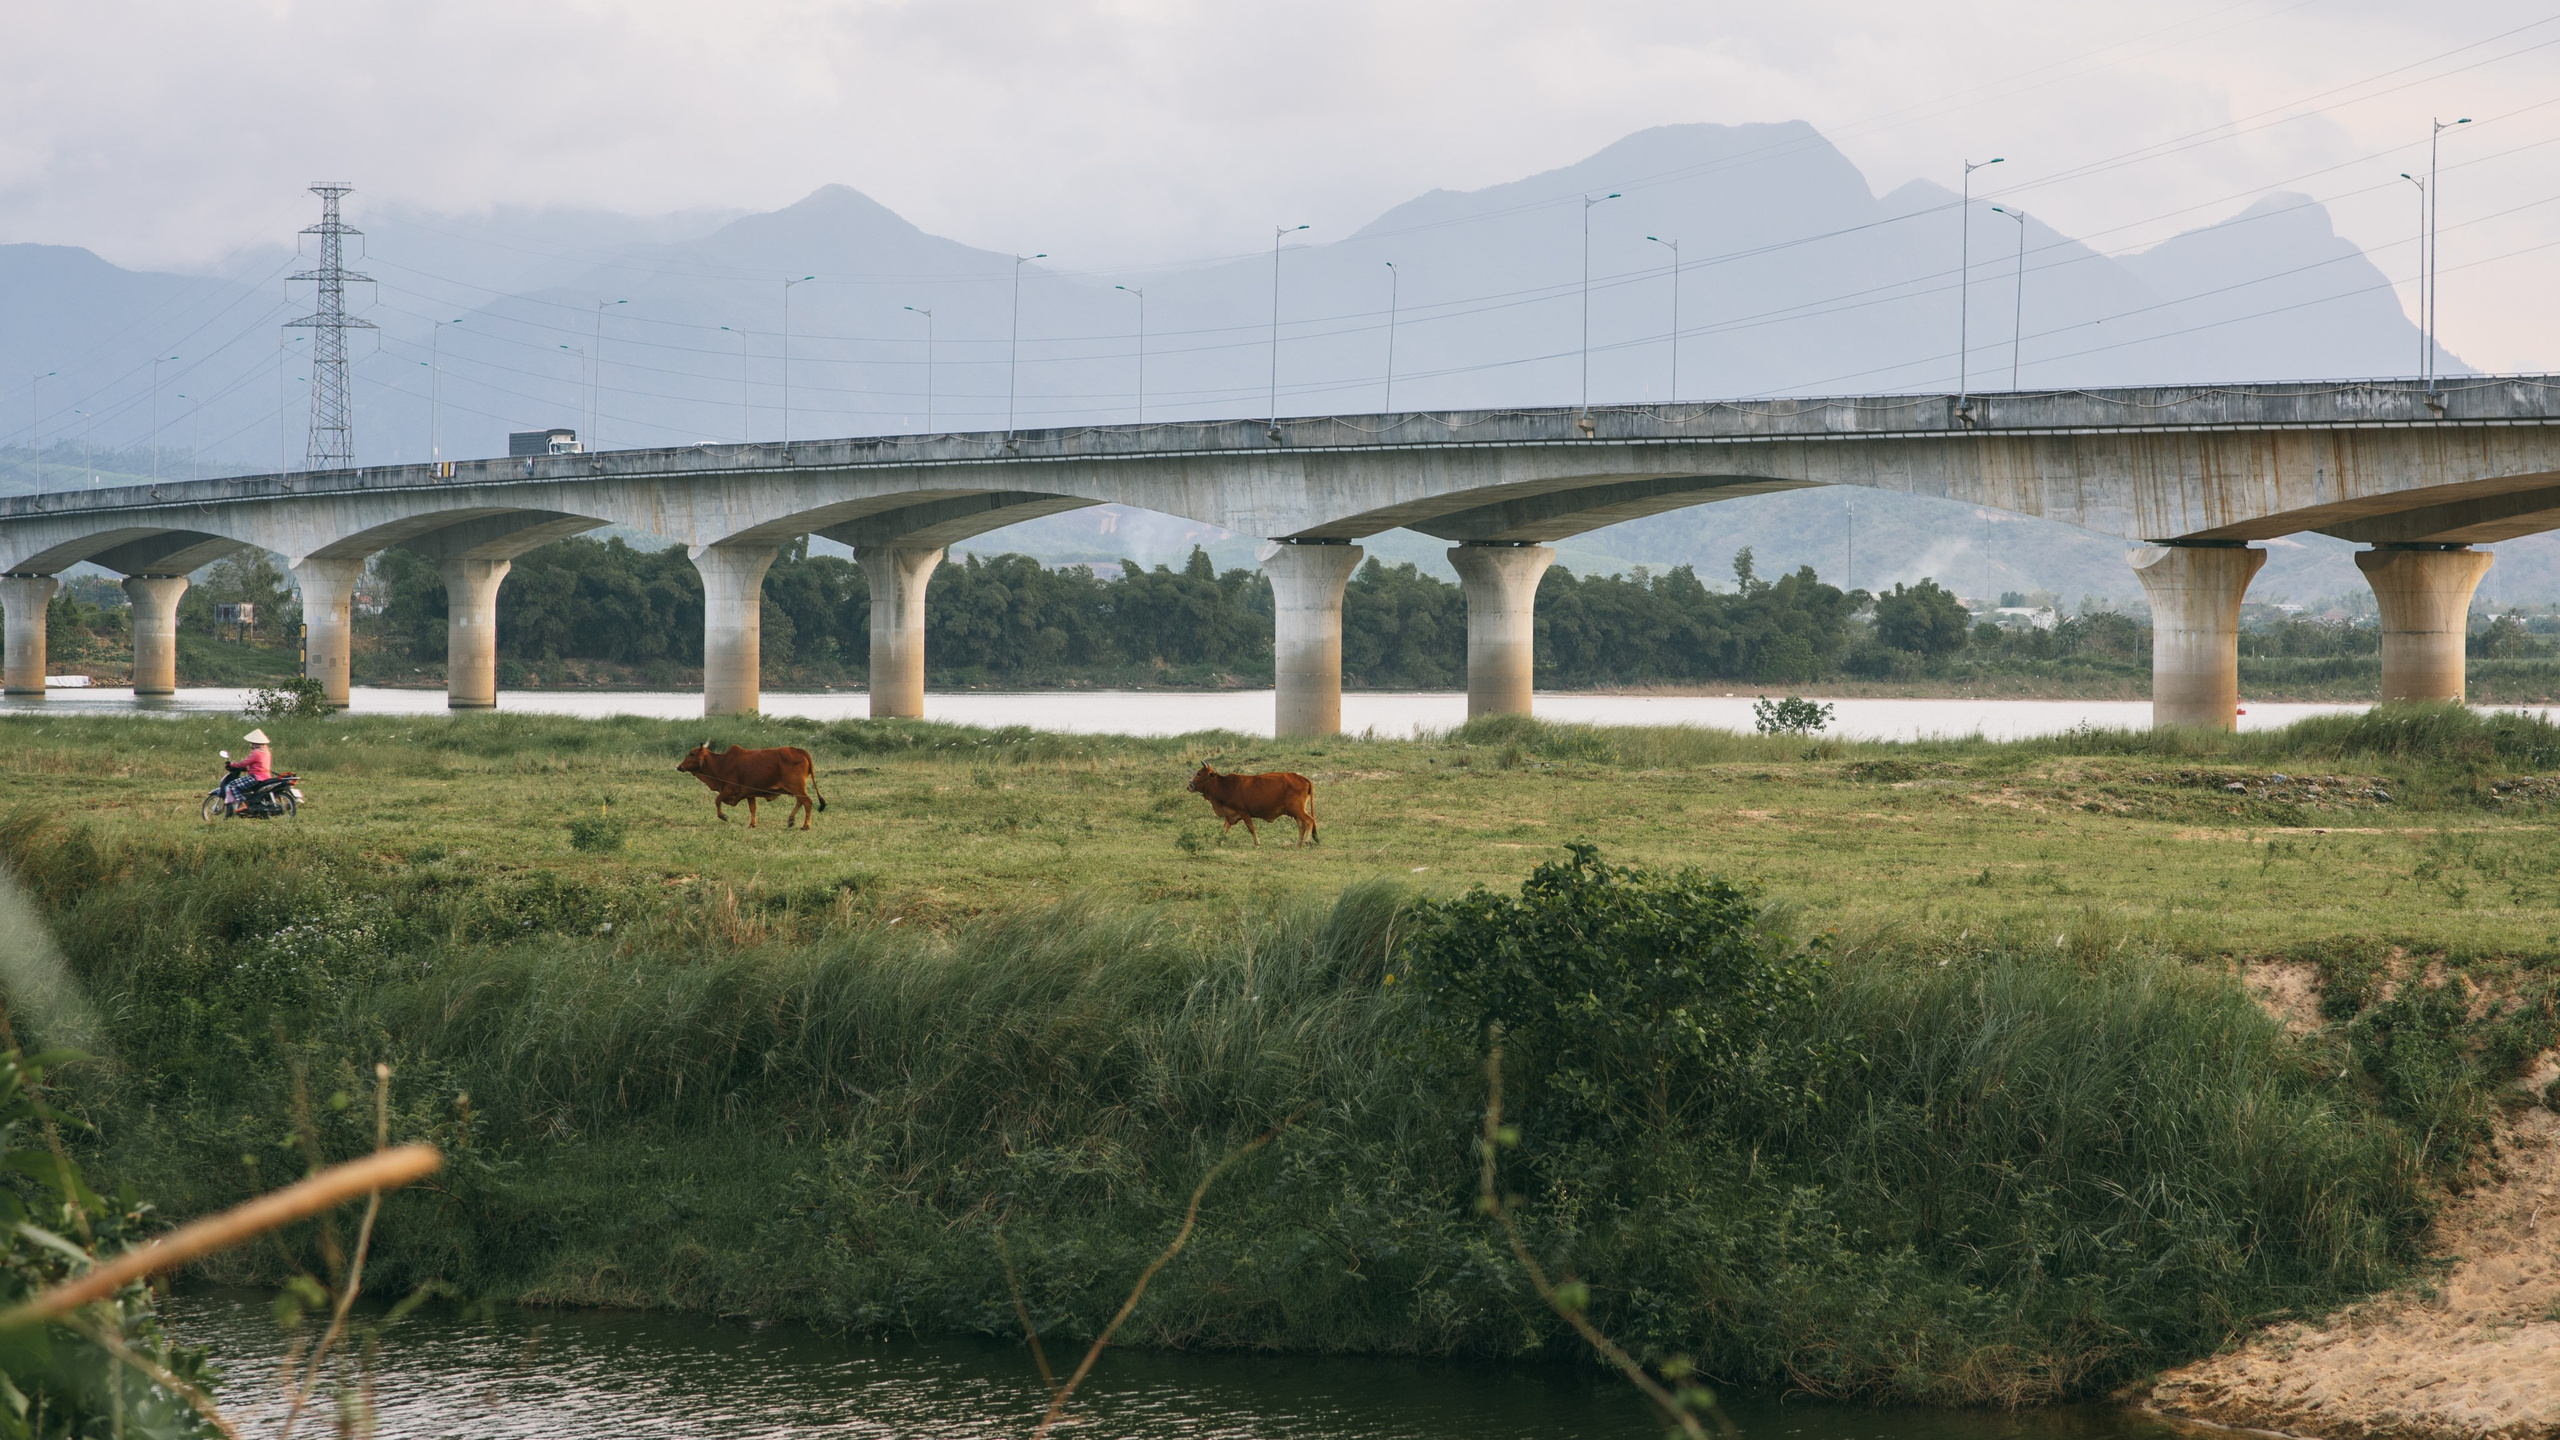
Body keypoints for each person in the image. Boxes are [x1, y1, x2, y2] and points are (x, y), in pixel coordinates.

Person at [224, 728, 275, 814]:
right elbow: (258, 764)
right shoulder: (266, 751)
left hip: (256, 777)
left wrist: (232, 764)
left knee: (232, 785)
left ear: (255, 743)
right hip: (266, 776)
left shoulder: (256, 753)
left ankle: (243, 804)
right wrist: (247, 768)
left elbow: (244, 763)